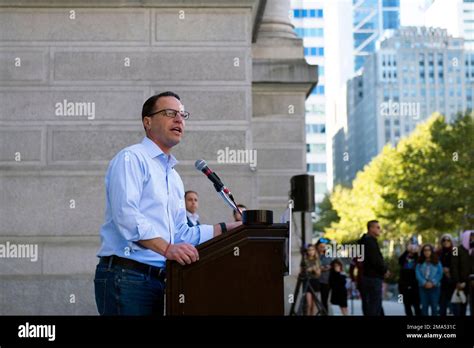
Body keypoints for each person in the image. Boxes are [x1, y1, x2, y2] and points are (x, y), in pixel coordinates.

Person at [94, 92, 241, 316]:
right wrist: (167, 249)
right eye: (170, 113)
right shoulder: (131, 158)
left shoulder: (173, 176)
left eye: (182, 115)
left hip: (160, 279)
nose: (179, 119)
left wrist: (225, 229)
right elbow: (127, 217)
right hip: (126, 277)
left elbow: (180, 234)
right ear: (148, 121)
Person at [358, 220, 388, 316]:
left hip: (367, 277)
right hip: (372, 277)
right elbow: (375, 260)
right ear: (371, 228)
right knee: (374, 305)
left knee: (371, 305)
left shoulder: (365, 241)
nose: (380, 229)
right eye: (377, 227)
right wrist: (384, 270)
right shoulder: (369, 242)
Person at [451, 230, 474, 316]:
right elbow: (453, 266)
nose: (472, 239)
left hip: (472, 282)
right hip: (461, 283)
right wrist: (457, 282)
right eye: (471, 237)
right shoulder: (455, 249)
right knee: (461, 307)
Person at [416, 244, 443, 316]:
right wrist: (424, 282)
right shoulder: (420, 262)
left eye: (429, 250)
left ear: (431, 251)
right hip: (423, 287)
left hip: (435, 287)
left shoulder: (437, 261)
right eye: (425, 250)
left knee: (434, 307)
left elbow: (440, 273)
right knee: (424, 307)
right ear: (423, 252)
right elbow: (417, 273)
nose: (427, 252)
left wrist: (432, 282)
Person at [398, 241, 421, 316]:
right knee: (406, 305)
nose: (412, 248)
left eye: (414, 247)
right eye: (411, 246)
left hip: (415, 285)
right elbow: (400, 261)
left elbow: (420, 262)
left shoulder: (418, 258)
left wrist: (417, 252)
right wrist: (407, 251)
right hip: (403, 285)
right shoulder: (404, 257)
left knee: (416, 306)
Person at [436, 233, 455, 316]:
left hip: (452, 279)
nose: (446, 242)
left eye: (448, 240)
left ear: (451, 241)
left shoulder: (455, 250)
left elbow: (457, 263)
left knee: (454, 306)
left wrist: (449, 270)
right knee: (442, 305)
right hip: (441, 280)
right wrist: (442, 269)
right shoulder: (438, 252)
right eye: (444, 240)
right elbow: (435, 264)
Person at [302, 244, 321, 316]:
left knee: (314, 305)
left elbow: (318, 274)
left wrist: (314, 270)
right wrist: (308, 270)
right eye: (309, 250)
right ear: (307, 251)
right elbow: (302, 272)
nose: (311, 251)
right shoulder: (305, 260)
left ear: (315, 251)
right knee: (308, 304)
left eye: (312, 250)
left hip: (315, 282)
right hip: (307, 282)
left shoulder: (317, 260)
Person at [316, 238, 332, 314]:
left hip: (325, 281)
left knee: (324, 301)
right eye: (321, 246)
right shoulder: (314, 255)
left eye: (324, 246)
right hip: (315, 280)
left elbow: (330, 266)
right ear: (317, 246)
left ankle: (325, 313)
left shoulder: (328, 255)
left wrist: (322, 268)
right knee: (313, 301)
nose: (323, 248)